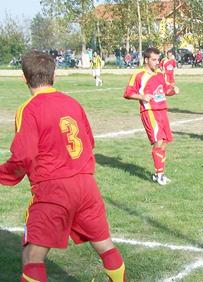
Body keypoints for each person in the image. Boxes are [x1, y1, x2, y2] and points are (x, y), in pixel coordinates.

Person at [0, 51, 125, 281]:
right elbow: (89, 141)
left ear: (24, 78)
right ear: (53, 75)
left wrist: (4, 175)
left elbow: (23, 156)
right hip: (86, 185)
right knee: (106, 246)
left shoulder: (29, 108)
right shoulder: (72, 102)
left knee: (32, 257)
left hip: (53, 189)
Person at [124, 47, 179, 185]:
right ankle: (160, 175)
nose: (157, 62)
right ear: (146, 59)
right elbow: (128, 93)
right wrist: (142, 96)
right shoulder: (138, 74)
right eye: (154, 60)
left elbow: (166, 90)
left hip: (162, 110)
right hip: (149, 111)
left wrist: (173, 90)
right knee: (158, 142)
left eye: (158, 59)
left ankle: (158, 173)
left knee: (165, 142)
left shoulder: (160, 74)